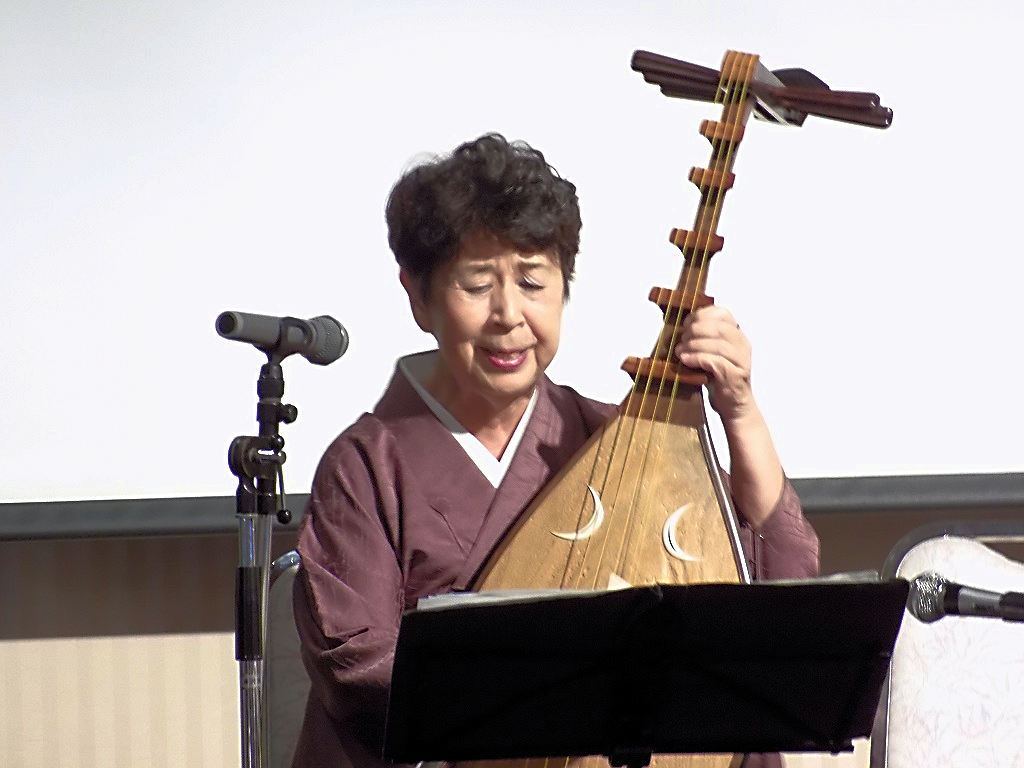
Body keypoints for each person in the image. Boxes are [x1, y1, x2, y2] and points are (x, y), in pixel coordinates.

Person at [291, 133, 819, 768]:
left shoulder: (610, 442)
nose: (509, 315)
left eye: (533, 282)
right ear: (418, 296)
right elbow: (363, 670)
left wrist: (740, 410)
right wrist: (563, 702)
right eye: (477, 285)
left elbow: (777, 591)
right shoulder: (367, 466)